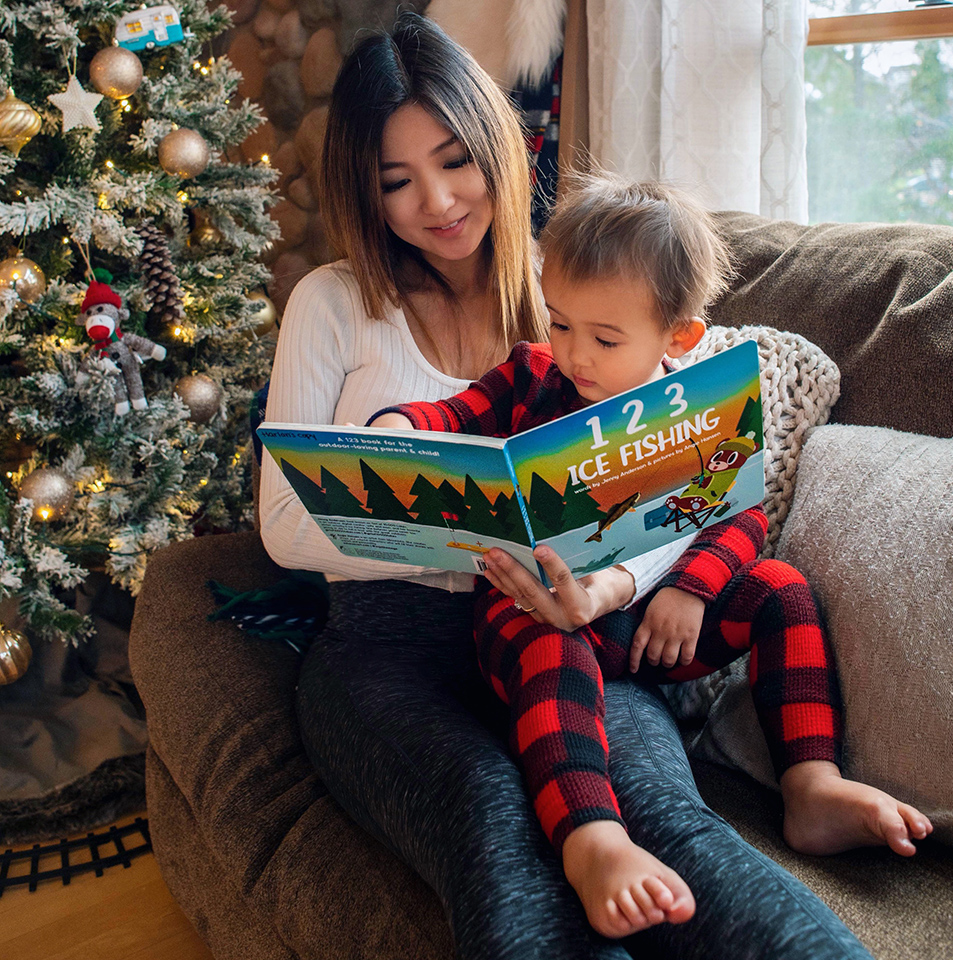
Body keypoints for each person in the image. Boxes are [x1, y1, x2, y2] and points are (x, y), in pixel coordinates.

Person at [261, 11, 879, 960]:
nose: (437, 201)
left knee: (667, 826)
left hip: (575, 624)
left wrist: (620, 584)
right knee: (496, 819)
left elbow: (696, 481)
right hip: (392, 649)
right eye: (395, 181)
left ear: (499, 148)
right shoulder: (337, 304)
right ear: (363, 190)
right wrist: (430, 491)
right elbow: (283, 524)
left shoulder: (572, 294)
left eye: (456, 159)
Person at [368, 172, 933, 938]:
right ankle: (591, 839)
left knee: (783, 592)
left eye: (605, 339)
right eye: (561, 322)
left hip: (655, 626)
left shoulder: (698, 411)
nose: (576, 355)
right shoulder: (533, 374)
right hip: (541, 612)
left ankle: (812, 785)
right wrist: (402, 426)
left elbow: (740, 521)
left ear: (679, 337)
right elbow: (455, 411)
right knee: (548, 649)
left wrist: (694, 589)